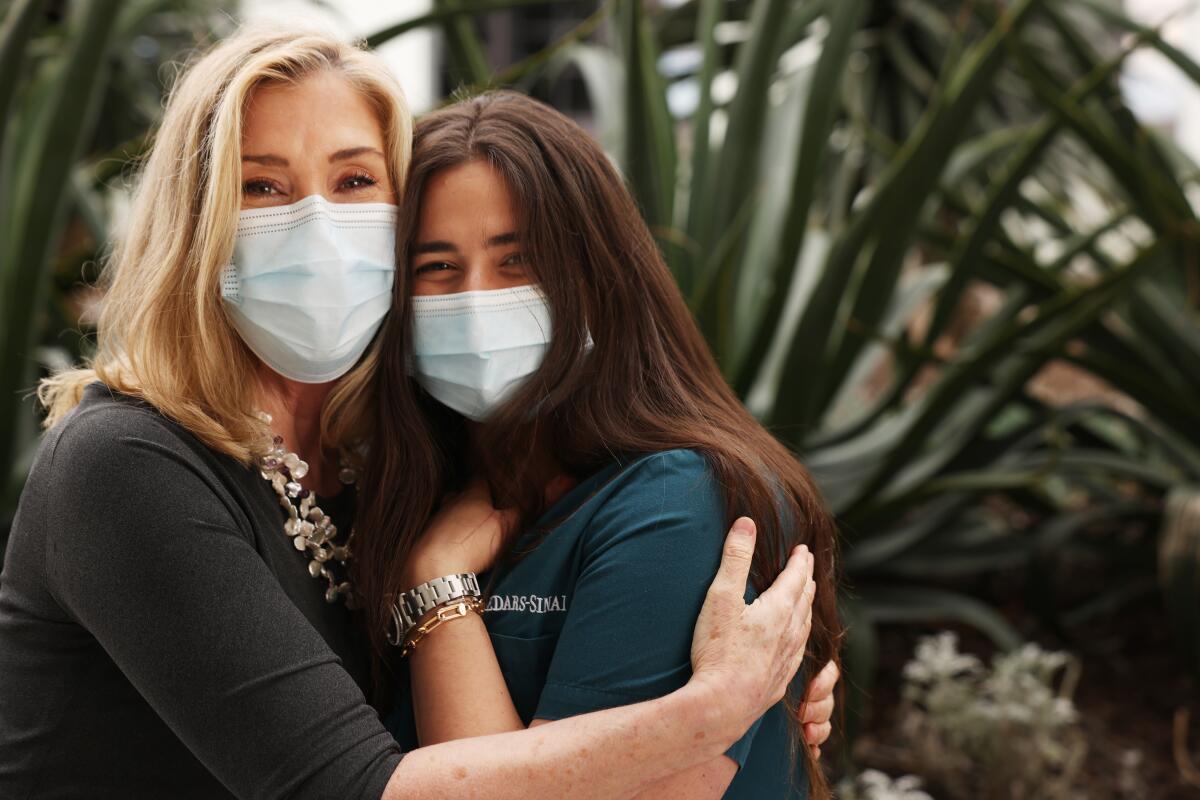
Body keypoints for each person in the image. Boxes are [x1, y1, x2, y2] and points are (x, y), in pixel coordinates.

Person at [0, 27, 830, 799]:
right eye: (262, 186)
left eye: (355, 179)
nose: (319, 225)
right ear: (197, 223)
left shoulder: (380, 467)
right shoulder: (127, 461)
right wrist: (709, 714)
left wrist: (774, 718)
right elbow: (354, 785)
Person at [357, 91, 843, 799]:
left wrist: (436, 589)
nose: (473, 300)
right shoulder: (417, 486)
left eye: (517, 260)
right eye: (436, 267)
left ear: (595, 276)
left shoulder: (684, 501)